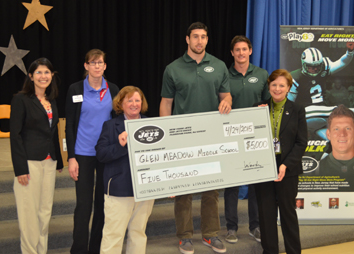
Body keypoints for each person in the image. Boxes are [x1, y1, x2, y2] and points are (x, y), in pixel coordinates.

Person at [160, 22, 232, 254]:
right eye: (195, 37)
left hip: (212, 136)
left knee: (211, 189)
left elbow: (227, 96)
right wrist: (166, 136)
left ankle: (210, 234)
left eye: (203, 37)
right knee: (184, 189)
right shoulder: (173, 68)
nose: (199, 41)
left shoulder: (219, 65)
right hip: (182, 137)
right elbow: (166, 103)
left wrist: (226, 102)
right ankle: (185, 236)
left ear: (207, 40)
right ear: (187, 39)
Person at [65, 49, 119, 254]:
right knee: (84, 205)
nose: (97, 66)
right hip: (83, 154)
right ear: (86, 66)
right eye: (92, 63)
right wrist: (71, 157)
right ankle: (78, 249)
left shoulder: (113, 89)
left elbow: (118, 121)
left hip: (105, 154)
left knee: (102, 203)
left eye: (100, 63)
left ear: (105, 66)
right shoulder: (76, 89)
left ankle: (96, 248)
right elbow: (69, 125)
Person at [10, 58, 63, 254]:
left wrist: (58, 159)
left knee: (45, 213)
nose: (43, 76)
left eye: (47, 72)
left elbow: (53, 131)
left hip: (49, 162)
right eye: (39, 73)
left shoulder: (51, 100)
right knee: (28, 215)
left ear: (52, 76)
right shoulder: (21, 99)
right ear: (31, 76)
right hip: (29, 163)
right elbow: (14, 136)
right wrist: (20, 169)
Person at [95, 86, 154, 254]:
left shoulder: (151, 125)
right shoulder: (110, 125)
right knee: (113, 236)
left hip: (145, 190)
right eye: (130, 100)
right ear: (121, 104)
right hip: (118, 190)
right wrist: (120, 145)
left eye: (137, 100)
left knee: (138, 234)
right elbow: (101, 154)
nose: (134, 104)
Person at [254, 69, 307, 254]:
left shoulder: (297, 110)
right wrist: (255, 117)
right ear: (269, 86)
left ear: (289, 88)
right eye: (274, 85)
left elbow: (301, 143)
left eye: (281, 85)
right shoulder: (258, 108)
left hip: (288, 169)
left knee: (288, 215)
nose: (277, 89)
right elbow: (248, 139)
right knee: (266, 216)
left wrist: (285, 165)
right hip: (263, 168)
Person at [224, 35, 269, 244]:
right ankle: (231, 228)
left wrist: (265, 107)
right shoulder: (225, 75)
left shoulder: (261, 74)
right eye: (237, 50)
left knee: (255, 184)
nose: (241, 53)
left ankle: (255, 226)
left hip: (255, 137)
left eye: (244, 49)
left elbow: (269, 102)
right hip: (230, 136)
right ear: (232, 53)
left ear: (250, 51)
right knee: (231, 184)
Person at [288, 43, 354, 107]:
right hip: (304, 110)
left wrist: (349, 53)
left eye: (318, 66)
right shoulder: (296, 77)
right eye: (312, 67)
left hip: (322, 107)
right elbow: (290, 102)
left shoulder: (324, 67)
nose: (315, 69)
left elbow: (341, 62)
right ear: (304, 64)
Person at [318, 104, 354, 189]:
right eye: (336, 129)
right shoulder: (316, 169)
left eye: (348, 128)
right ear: (328, 134)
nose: (342, 134)